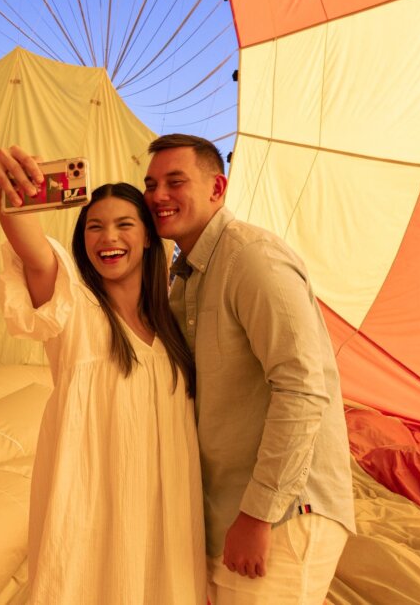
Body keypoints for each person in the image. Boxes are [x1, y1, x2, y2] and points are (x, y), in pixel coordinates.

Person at [0, 146, 205, 604]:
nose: (108, 237)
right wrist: (11, 192)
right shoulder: (75, 309)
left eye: (124, 224)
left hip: (169, 520)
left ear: (147, 237)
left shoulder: (174, 326)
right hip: (95, 515)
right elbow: (37, 255)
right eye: (94, 227)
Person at [143, 134, 356, 604]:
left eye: (174, 182)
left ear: (218, 188)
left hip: (283, 512)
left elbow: (302, 389)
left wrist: (259, 515)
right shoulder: (184, 278)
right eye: (151, 183)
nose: (158, 195)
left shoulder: (251, 258)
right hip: (229, 511)